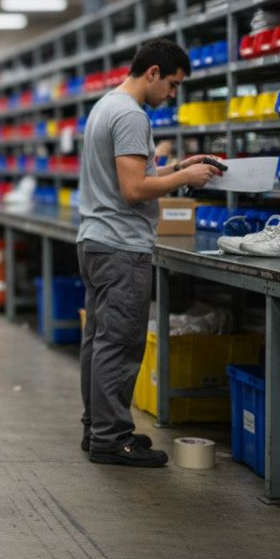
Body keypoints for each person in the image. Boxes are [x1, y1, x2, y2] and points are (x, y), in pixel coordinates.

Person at [76, 38, 220, 467]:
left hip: (96, 240)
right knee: (119, 345)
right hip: (121, 246)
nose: (172, 95)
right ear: (152, 72)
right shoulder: (130, 115)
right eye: (172, 85)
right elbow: (134, 189)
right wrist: (185, 179)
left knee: (99, 343)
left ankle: (96, 429)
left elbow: (136, 174)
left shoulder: (106, 106)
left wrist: (177, 168)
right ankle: (111, 438)